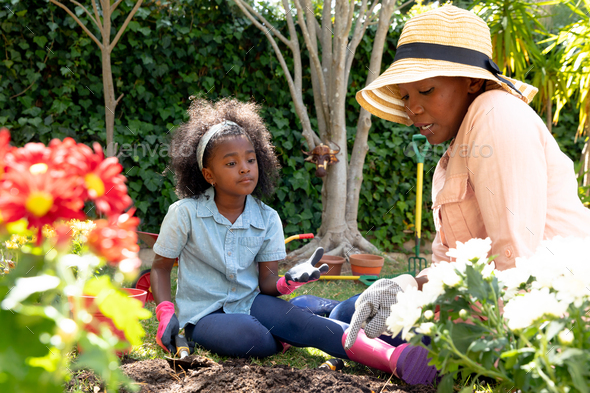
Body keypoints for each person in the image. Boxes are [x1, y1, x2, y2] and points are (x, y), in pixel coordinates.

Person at [324, 4, 590, 350]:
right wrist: (406, 285)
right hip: (490, 305)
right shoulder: (453, 156)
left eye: (426, 91)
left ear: (473, 81)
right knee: (347, 312)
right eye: (405, 96)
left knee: (341, 320)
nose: (412, 108)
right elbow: (452, 264)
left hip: (553, 319)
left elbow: (515, 262)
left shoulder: (496, 115)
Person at [150, 98, 437, 385]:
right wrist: (165, 314)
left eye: (250, 159)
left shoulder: (267, 218)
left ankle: (395, 358)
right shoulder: (185, 213)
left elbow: (266, 284)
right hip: (205, 315)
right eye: (231, 163)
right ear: (208, 174)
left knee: (302, 323)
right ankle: (297, 318)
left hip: (252, 301)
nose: (244, 168)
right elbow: (161, 267)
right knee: (253, 339)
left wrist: (288, 281)